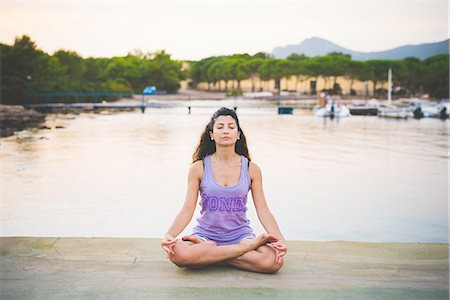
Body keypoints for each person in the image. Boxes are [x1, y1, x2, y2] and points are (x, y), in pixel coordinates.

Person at [161, 107, 287, 273]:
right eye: (220, 127)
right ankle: (239, 253)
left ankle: (211, 256)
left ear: (238, 134)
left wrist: (281, 240)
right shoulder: (199, 168)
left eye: (231, 127)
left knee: (273, 262)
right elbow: (187, 209)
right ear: (212, 134)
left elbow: (263, 210)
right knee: (177, 254)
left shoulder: (251, 169)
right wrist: (168, 236)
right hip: (205, 235)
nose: (225, 131)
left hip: (240, 236)